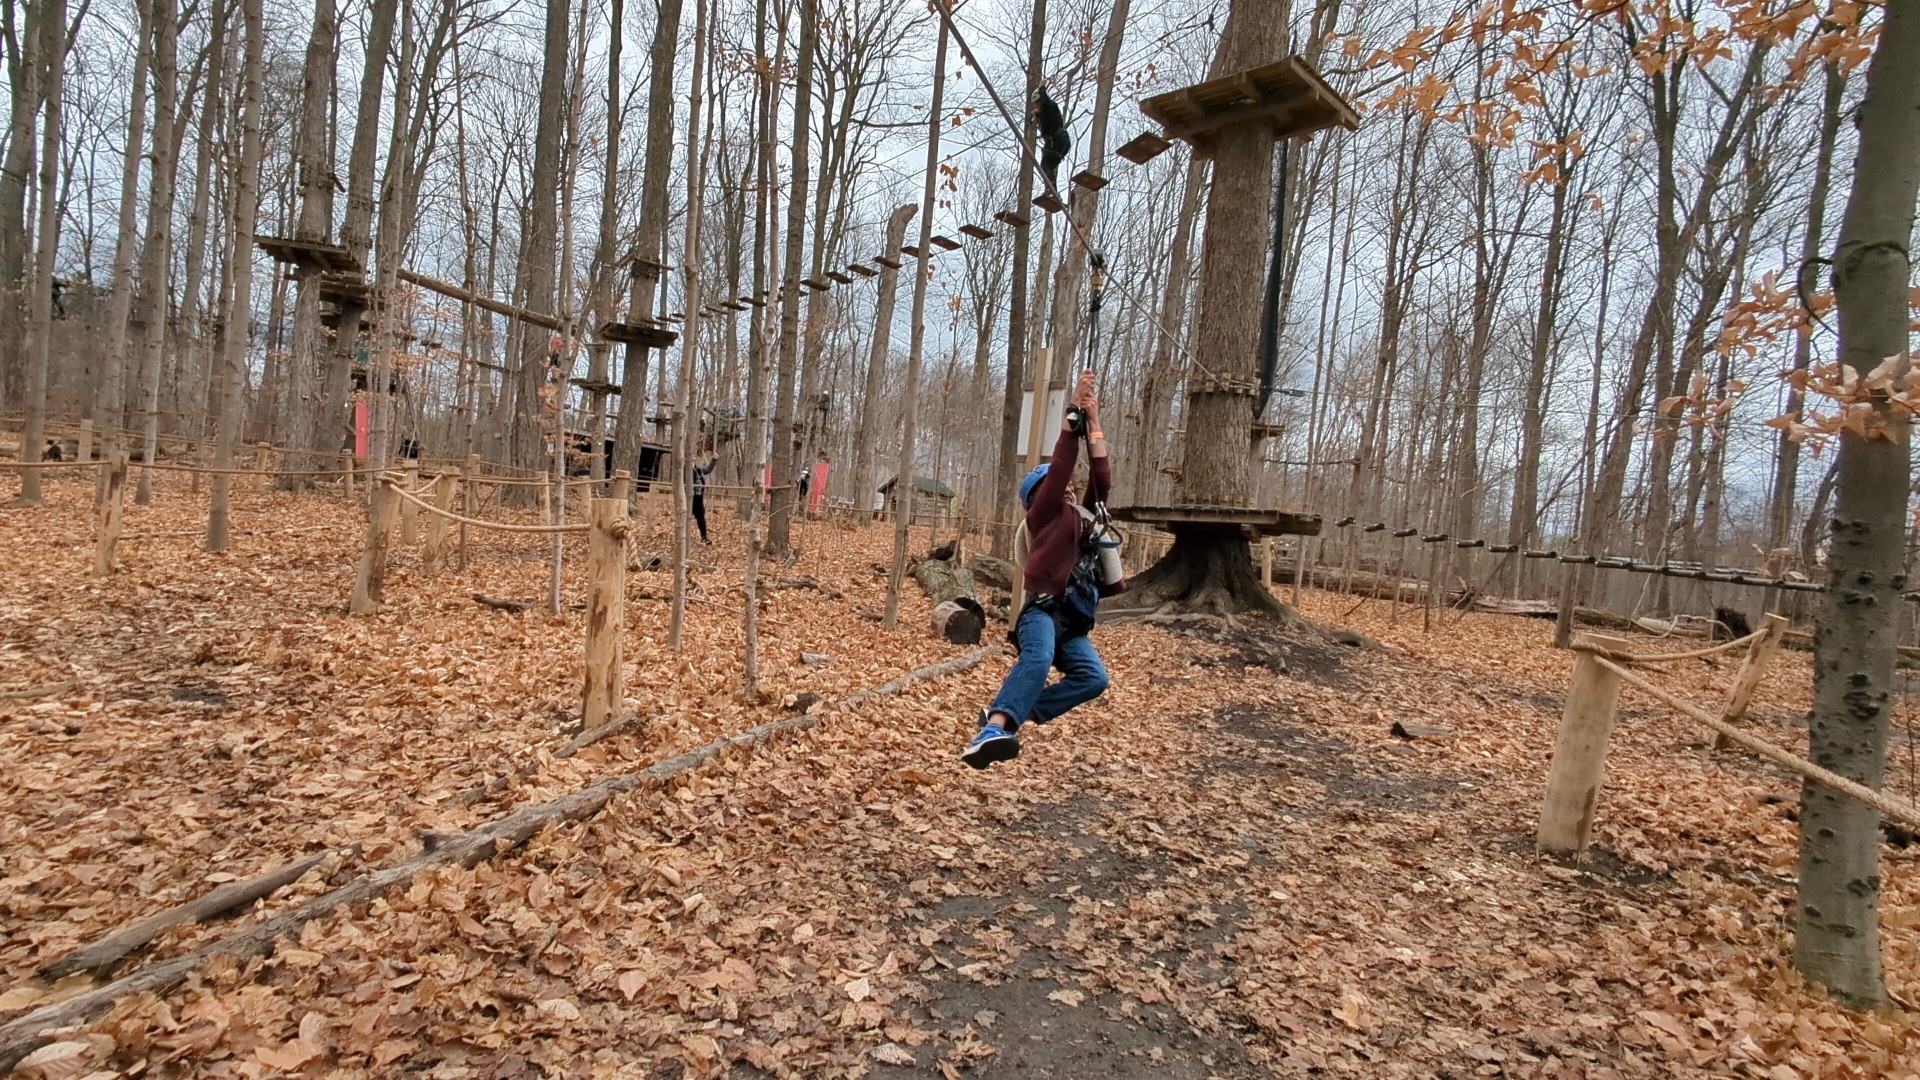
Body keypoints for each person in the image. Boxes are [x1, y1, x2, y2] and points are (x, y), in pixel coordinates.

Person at [963, 370, 1118, 769]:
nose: (1066, 488)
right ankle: (994, 727)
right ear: (1037, 497)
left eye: (1066, 486)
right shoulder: (1043, 516)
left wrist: (1094, 424)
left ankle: (1016, 711)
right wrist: (1072, 416)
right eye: (1054, 486)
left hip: (1074, 621)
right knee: (1037, 656)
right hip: (1042, 612)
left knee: (1094, 678)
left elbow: (1101, 479)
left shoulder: (1083, 516)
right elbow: (1063, 468)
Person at [1032, 86, 1072, 203]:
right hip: (1060, 142)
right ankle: (1053, 192)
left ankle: (1051, 191)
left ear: (1041, 101)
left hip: (1058, 141)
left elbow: (1047, 104)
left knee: (1045, 164)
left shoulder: (1049, 107)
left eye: (1037, 104)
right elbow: (1046, 123)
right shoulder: (1044, 115)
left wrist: (1042, 90)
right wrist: (1036, 116)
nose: (1036, 107)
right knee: (1048, 167)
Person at [691, 456, 717, 544]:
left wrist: (714, 459)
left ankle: (704, 538)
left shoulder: (698, 470)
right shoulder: (684, 471)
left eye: (693, 459)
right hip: (689, 498)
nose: (692, 460)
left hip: (698, 498)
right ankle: (682, 538)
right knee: (685, 518)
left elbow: (708, 469)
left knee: (701, 518)